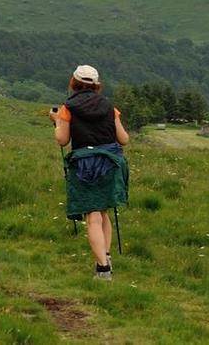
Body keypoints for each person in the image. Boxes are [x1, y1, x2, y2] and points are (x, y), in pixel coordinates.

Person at [54, 65, 131, 281]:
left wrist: (57, 121)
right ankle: (106, 258)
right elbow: (123, 139)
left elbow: (62, 140)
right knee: (104, 212)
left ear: (73, 82)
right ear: (97, 85)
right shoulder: (109, 107)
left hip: (84, 165)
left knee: (93, 217)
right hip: (110, 162)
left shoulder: (67, 108)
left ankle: (103, 269)